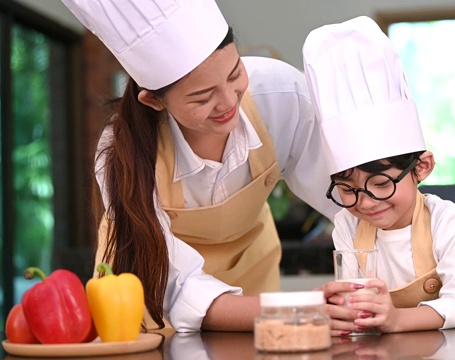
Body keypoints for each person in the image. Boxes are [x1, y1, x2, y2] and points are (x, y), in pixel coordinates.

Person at [60, 0, 359, 332]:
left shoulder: (279, 94)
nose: (230, 101)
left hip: (252, 277)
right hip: (150, 295)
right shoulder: (120, 153)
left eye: (235, 74)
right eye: (202, 98)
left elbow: (353, 201)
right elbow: (176, 286)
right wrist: (297, 307)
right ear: (154, 99)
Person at [303, 16, 455, 334]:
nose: (365, 203)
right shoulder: (348, 226)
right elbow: (356, 301)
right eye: (346, 188)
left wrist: (395, 319)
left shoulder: (444, 220)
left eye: (380, 184)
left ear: (421, 167)